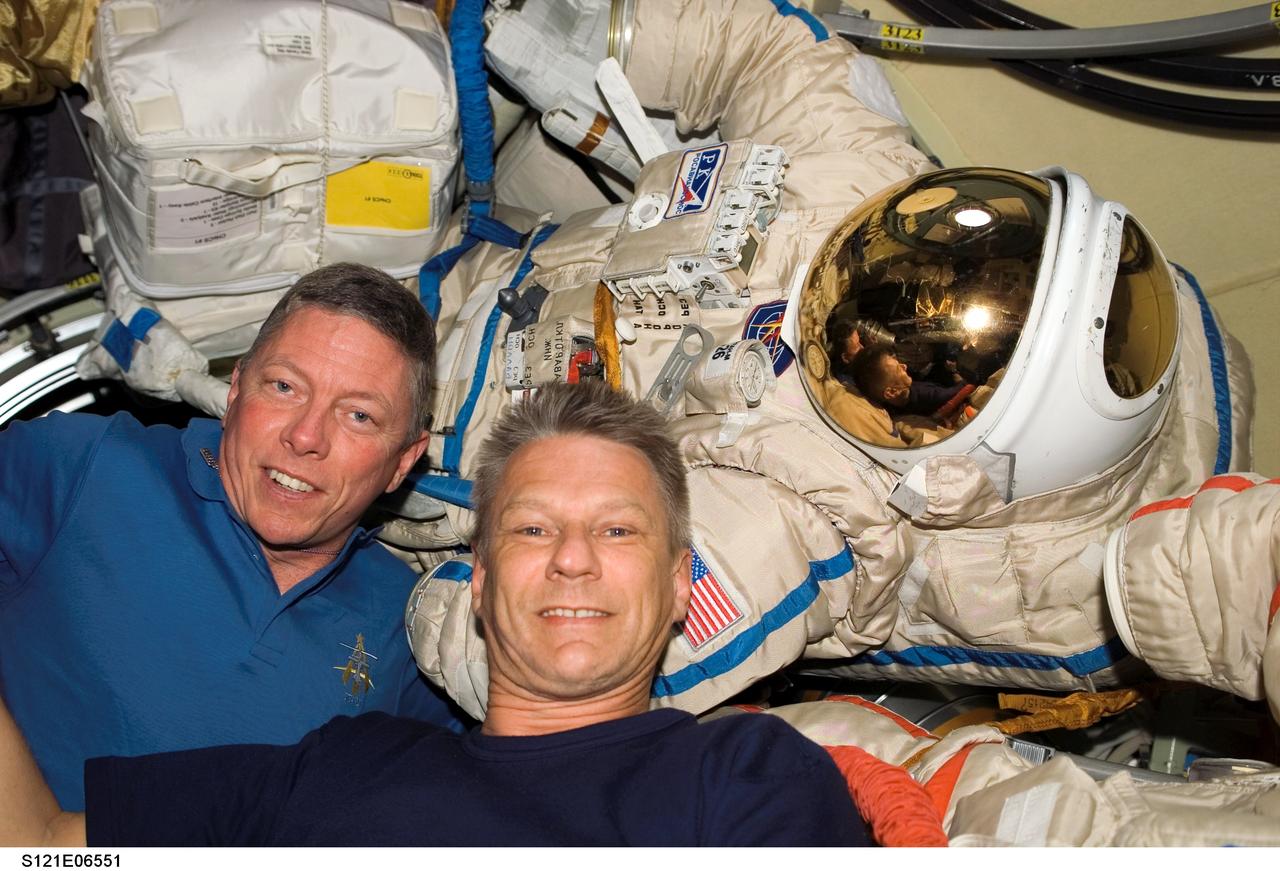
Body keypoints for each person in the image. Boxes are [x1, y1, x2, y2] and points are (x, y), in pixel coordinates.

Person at [0, 381, 871, 846]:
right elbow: (41, 840)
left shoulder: (750, 775)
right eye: (533, 527)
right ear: (483, 586)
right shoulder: (340, 764)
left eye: (615, 528)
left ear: (681, 585)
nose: (573, 556)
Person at [0, 262, 462, 812]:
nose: (306, 436)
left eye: (359, 416)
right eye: (285, 386)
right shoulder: (89, 466)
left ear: (403, 462)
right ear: (237, 388)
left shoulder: (411, 621)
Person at [851, 346, 965, 418]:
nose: (904, 366)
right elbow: (962, 389)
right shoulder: (931, 396)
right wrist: (955, 372)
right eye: (898, 368)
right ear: (892, 392)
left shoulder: (893, 405)